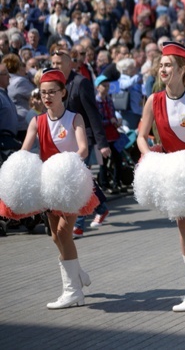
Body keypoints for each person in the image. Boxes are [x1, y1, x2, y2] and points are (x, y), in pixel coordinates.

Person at [136, 41, 185, 312]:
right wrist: (148, 156)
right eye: (161, 64)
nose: (162, 68)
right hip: (167, 170)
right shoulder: (153, 100)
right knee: (183, 229)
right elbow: (141, 136)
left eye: (168, 64)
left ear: (182, 70)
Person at [18, 68, 95, 308]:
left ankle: (72, 292)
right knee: (54, 236)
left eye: (52, 92)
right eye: (43, 93)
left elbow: (83, 149)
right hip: (49, 185)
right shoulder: (37, 120)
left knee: (64, 233)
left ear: (63, 93)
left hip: (71, 183)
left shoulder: (75, 118)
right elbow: (24, 151)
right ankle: (77, 273)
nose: (47, 97)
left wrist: (66, 164)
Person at [50, 46, 111, 238]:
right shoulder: (53, 84)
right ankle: (100, 207)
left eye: (59, 63)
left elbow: (93, 114)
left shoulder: (81, 82)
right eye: (53, 63)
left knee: (75, 180)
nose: (55, 66)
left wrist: (102, 143)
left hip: (82, 139)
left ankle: (78, 224)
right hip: (62, 140)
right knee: (84, 179)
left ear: (70, 64)